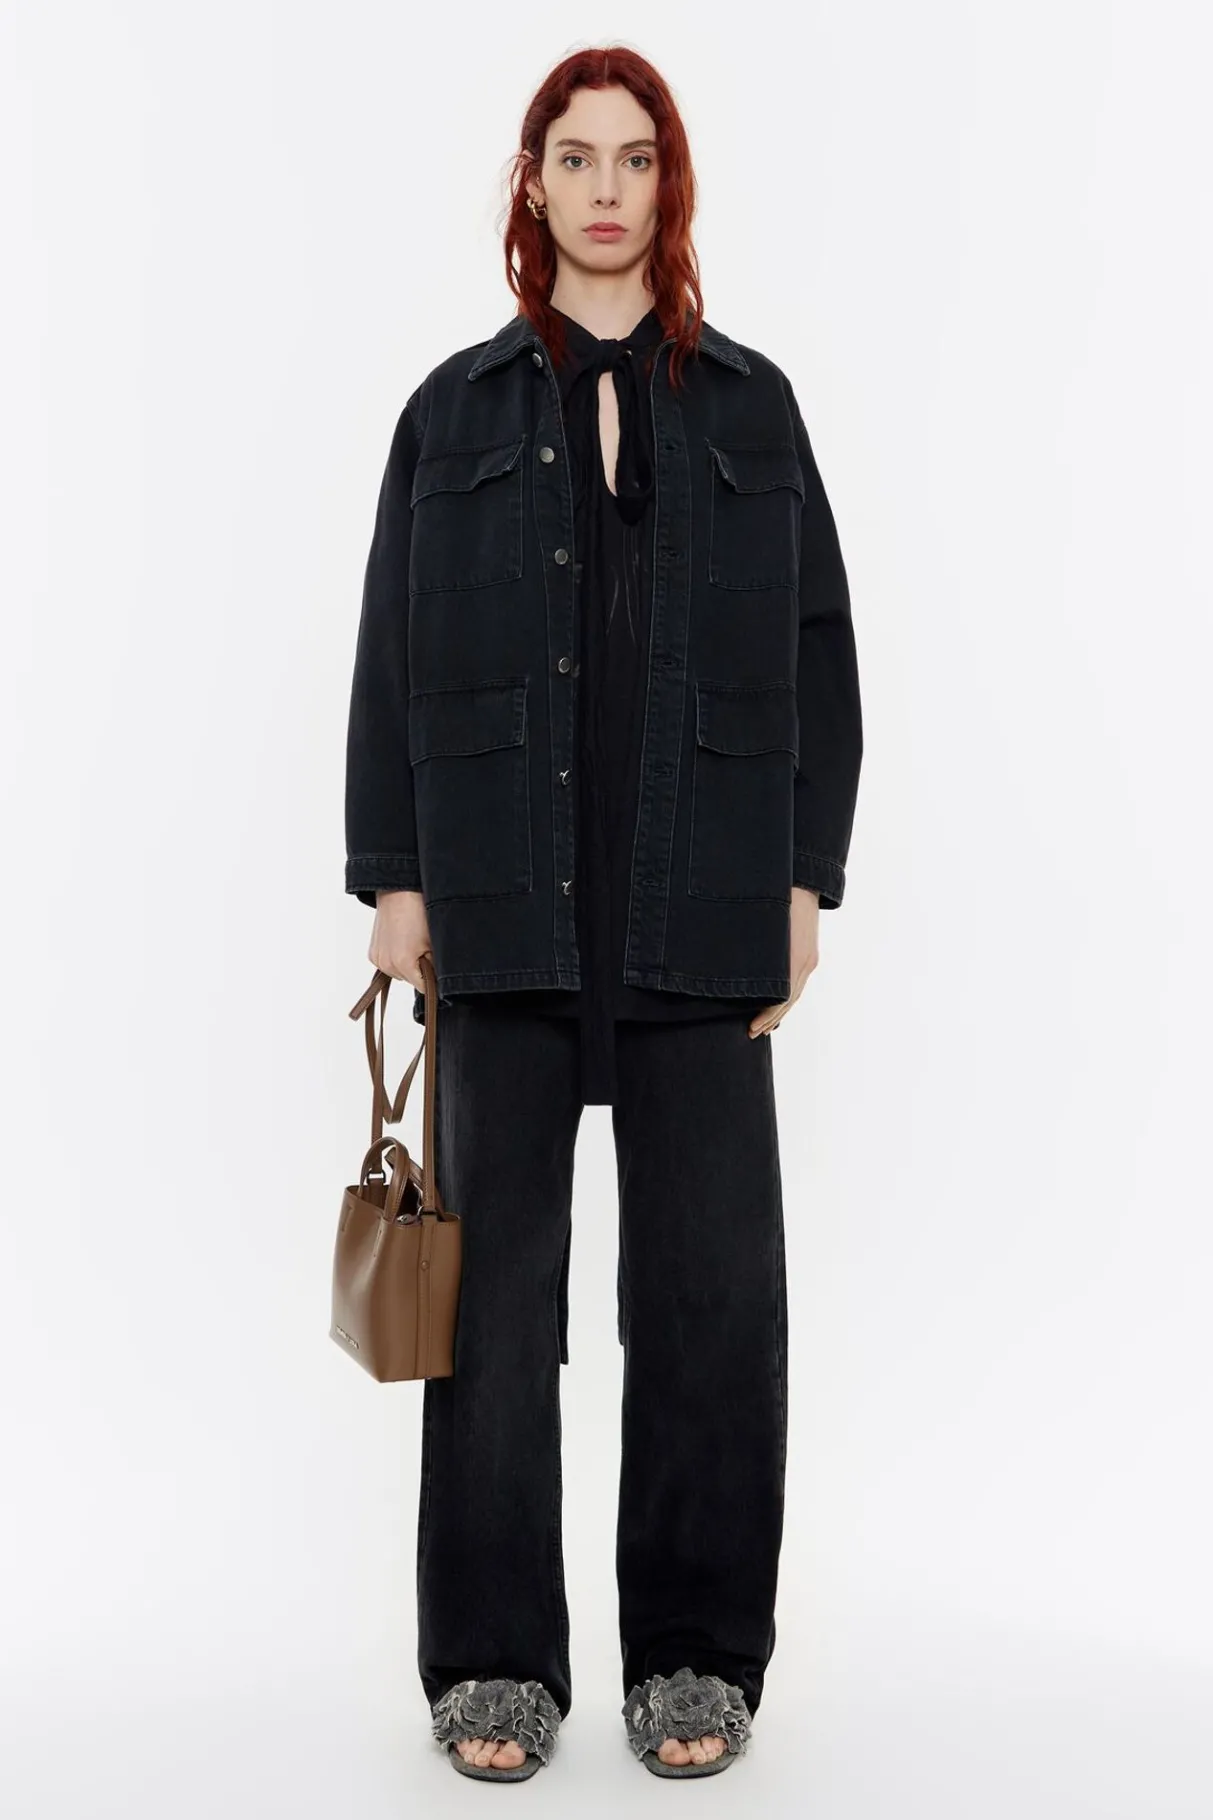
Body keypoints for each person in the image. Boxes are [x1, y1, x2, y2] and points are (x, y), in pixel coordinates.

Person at [343, 45, 863, 1782]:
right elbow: (390, 648)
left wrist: (804, 879)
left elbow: (820, 652)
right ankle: (496, 1661)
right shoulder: (452, 413)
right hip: (500, 911)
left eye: (635, 158)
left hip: (701, 907)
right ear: (534, 183)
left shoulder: (756, 410)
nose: (607, 188)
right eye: (576, 157)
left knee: (713, 1303)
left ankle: (695, 1654)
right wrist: (395, 876)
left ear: (669, 183)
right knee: (493, 1309)